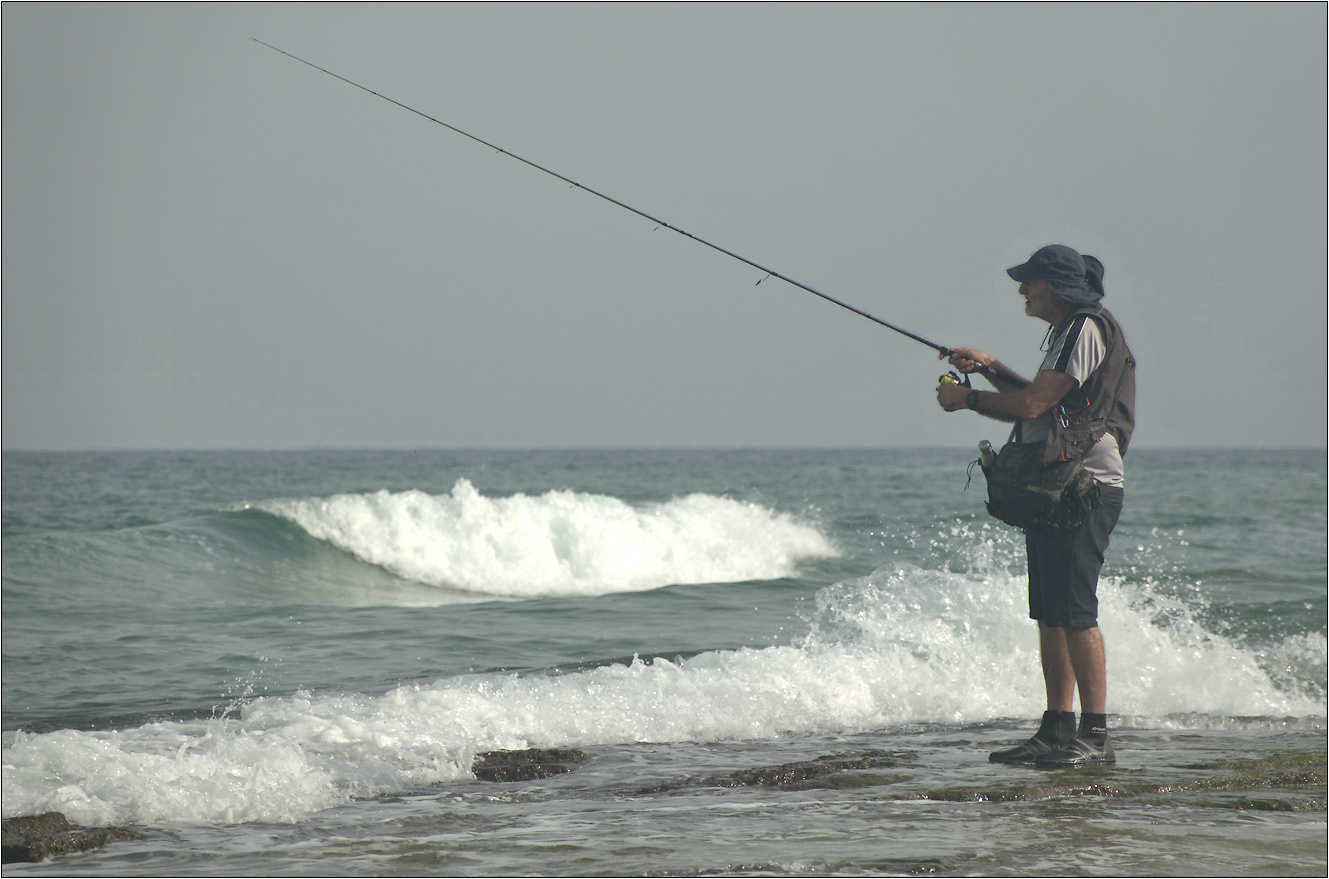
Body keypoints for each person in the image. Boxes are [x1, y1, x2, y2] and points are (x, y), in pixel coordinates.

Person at [935, 244, 1136, 768]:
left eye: (1031, 282)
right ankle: (1055, 729)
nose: (1023, 290)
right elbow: (1044, 400)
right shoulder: (1069, 331)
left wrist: (969, 399)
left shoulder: (1087, 328)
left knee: (1074, 613)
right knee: (1050, 614)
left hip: (1084, 487)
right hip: (1058, 486)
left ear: (1059, 285)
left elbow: (1031, 406)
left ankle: (1095, 736)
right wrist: (991, 367)